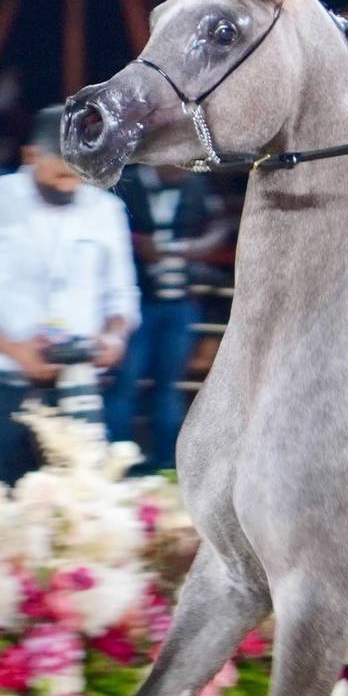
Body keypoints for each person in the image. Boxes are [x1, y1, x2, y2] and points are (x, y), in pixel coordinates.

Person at [0, 107, 136, 485]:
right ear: (31, 157)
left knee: (83, 507)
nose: (69, 186)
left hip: (80, 389)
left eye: (80, 176)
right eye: (60, 173)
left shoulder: (107, 210)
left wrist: (113, 337)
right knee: (6, 507)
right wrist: (16, 350)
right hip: (4, 390)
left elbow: (122, 296)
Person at [106, 163, 231, 471]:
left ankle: (167, 465)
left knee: (169, 386)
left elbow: (219, 225)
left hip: (179, 302)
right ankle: (116, 466)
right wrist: (139, 244)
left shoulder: (196, 186)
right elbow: (106, 226)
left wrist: (189, 248)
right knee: (124, 384)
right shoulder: (128, 182)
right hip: (136, 302)